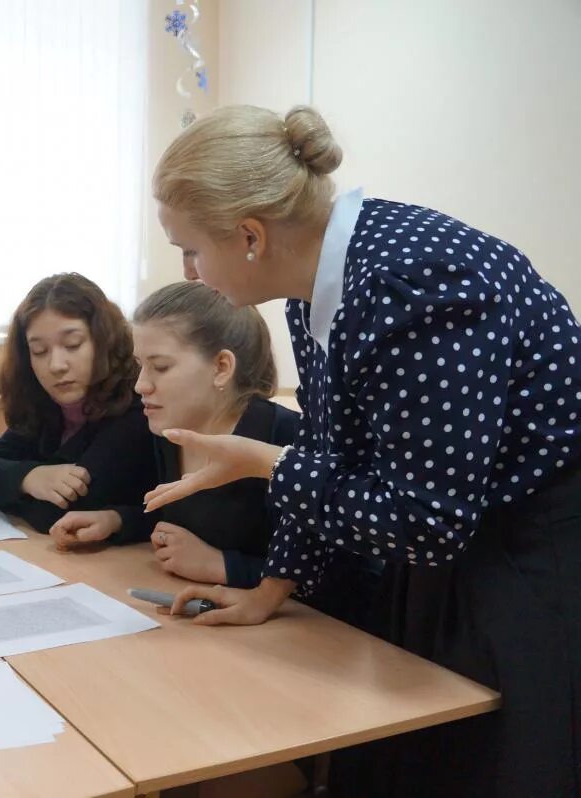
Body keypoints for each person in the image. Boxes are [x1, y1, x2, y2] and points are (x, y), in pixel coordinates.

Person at [144, 104, 580, 797]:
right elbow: (330, 451)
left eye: (190, 250)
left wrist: (265, 461)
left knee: (496, 761)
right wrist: (271, 588)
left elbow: (427, 520)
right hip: (459, 545)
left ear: (251, 235)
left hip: (534, 548)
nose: (193, 273)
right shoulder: (315, 290)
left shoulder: (414, 285)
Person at [49, 281, 300, 590]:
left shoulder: (284, 436)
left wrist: (225, 566)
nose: (141, 385)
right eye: (140, 366)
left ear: (221, 367)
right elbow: (180, 522)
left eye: (161, 367)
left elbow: (330, 573)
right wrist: (116, 521)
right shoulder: (169, 433)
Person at [0, 273, 154, 533]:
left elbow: (58, 514)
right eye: (40, 351)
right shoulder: (45, 403)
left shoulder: (135, 407)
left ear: (103, 341)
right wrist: (30, 478)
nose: (56, 365)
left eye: (72, 344)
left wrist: (10, 486)